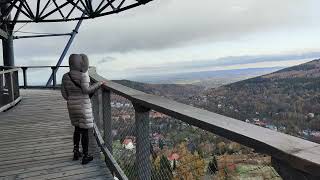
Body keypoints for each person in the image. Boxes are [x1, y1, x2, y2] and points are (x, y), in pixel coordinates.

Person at [61, 54, 105, 164]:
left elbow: (64, 95)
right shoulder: (83, 76)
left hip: (71, 106)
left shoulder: (65, 76)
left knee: (76, 129)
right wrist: (99, 84)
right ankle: (86, 155)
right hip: (83, 106)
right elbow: (87, 90)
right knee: (85, 131)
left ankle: (76, 151)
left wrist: (72, 98)